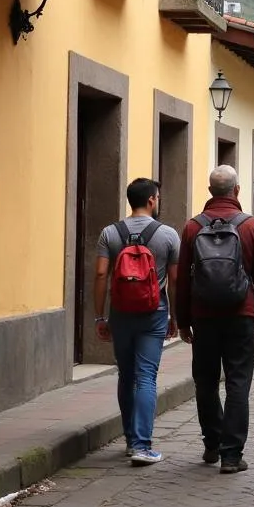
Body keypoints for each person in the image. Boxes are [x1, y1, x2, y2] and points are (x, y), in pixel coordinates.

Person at [175, 165, 254, 474]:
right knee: (238, 382)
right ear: (237, 191)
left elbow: (181, 280)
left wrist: (183, 320)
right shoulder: (251, 226)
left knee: (205, 381)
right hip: (240, 314)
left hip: (203, 316)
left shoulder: (192, 227)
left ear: (209, 191)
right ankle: (232, 455)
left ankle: (212, 443)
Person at [94, 178, 181, 466]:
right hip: (154, 312)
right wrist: (176, 317)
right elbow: (176, 281)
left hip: (120, 313)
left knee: (126, 375)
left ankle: (131, 441)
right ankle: (144, 446)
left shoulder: (110, 233)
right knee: (146, 376)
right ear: (152, 200)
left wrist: (100, 316)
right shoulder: (167, 235)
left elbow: (100, 275)